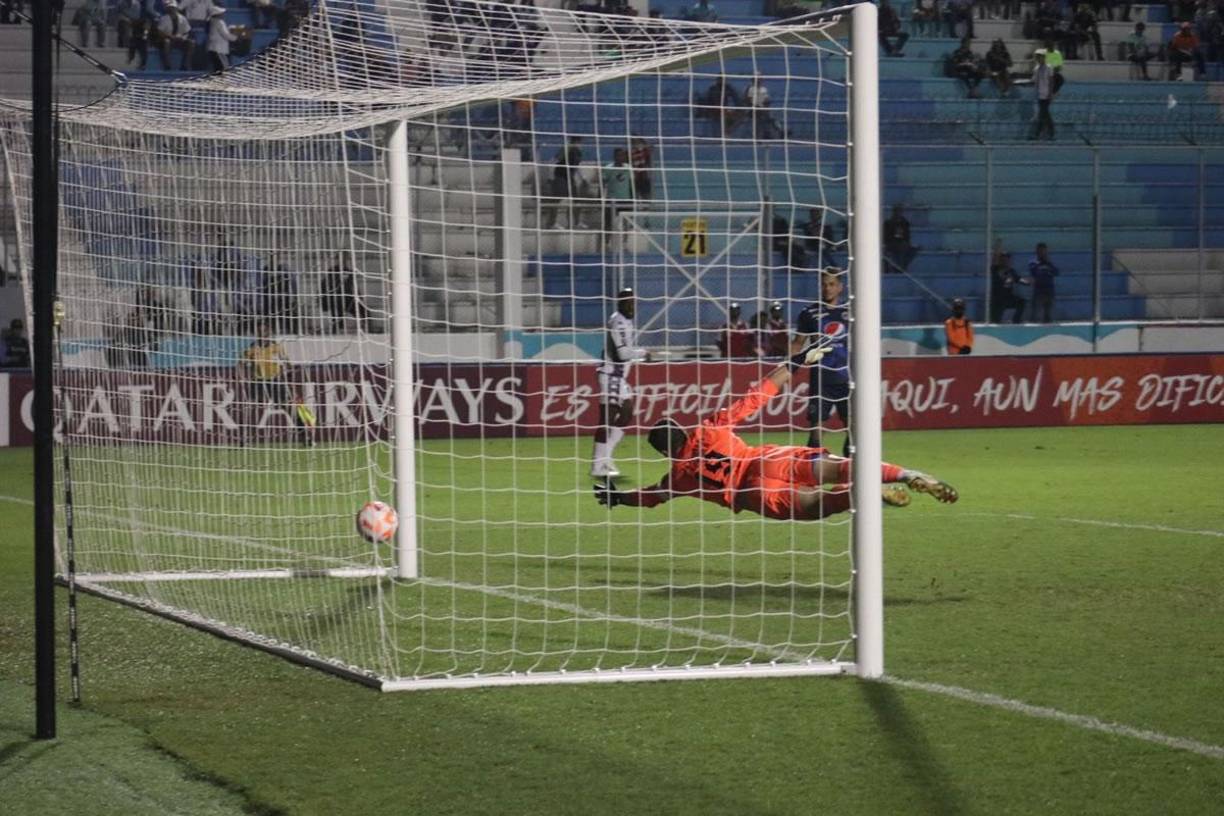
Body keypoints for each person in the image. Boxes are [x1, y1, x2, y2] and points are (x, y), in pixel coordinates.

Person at [594, 354, 958, 521]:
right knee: (840, 466)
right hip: (765, 459)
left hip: (752, 494)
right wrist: (797, 362)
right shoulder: (711, 428)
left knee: (821, 504)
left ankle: (860, 495)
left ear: (665, 453)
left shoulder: (679, 477)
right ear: (684, 430)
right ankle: (906, 475)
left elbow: (651, 498)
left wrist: (618, 497)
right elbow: (756, 396)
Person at [590, 287, 648, 478]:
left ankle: (605, 458)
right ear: (620, 303)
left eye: (633, 302)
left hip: (618, 378)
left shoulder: (626, 321)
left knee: (626, 413)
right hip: (611, 375)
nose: (632, 306)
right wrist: (643, 354)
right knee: (607, 419)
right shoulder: (619, 323)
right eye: (628, 302)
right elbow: (622, 354)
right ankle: (598, 465)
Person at [795, 267, 850, 457]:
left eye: (832, 284)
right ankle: (811, 477)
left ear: (840, 287)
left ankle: (851, 477)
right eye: (825, 284)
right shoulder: (809, 313)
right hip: (821, 378)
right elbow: (797, 344)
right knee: (816, 433)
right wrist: (789, 366)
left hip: (847, 378)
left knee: (853, 432)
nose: (828, 288)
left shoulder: (850, 312)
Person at [239, 321, 314, 446]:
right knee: (250, 409)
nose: (261, 334)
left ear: (269, 333)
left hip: (276, 380)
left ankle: (305, 437)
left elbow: (287, 363)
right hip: (258, 381)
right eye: (259, 332)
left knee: (290, 409)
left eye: (264, 331)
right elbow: (240, 363)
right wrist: (244, 375)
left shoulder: (277, 347)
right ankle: (245, 439)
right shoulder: (251, 348)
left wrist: (288, 370)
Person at [600, 147, 634, 249]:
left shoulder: (628, 168)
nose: (621, 157)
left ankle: (624, 244)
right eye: (619, 155)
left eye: (623, 155)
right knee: (608, 223)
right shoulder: (608, 168)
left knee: (626, 223)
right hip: (612, 199)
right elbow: (603, 183)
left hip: (625, 199)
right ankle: (606, 244)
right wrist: (600, 198)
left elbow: (631, 184)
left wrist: (633, 199)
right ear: (615, 156)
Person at [989, 251, 1029, 323]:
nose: (1005, 261)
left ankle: (1016, 321)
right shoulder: (995, 269)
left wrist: (1026, 282)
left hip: (1008, 297)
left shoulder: (1011, 271)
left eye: (1007, 260)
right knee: (995, 321)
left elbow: (1018, 279)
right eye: (1003, 259)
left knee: (1021, 302)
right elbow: (994, 259)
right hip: (997, 299)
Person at [157, 0, 195, 70]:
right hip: (169, 39)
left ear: (176, 8)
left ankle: (184, 65)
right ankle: (167, 66)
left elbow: (187, 31)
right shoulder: (164, 18)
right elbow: (160, 32)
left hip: (180, 40)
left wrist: (182, 37)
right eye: (170, 8)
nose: (172, 9)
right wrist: (171, 36)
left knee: (191, 43)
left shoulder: (183, 18)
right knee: (166, 42)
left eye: (173, 8)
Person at [1028, 242, 1060, 322]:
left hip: (1049, 289)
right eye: (1040, 251)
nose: (1042, 253)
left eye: (1044, 251)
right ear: (1037, 252)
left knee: (1048, 314)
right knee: (1036, 313)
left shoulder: (1049, 263)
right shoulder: (1033, 262)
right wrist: (1044, 268)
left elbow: (1056, 272)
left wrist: (1048, 263)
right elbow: (1034, 272)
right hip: (1038, 289)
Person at [882, 204, 918, 273]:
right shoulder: (888, 223)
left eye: (900, 212)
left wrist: (906, 242)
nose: (899, 213)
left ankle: (901, 266)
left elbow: (907, 236)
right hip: (891, 243)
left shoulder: (905, 223)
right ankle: (899, 268)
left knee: (912, 250)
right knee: (902, 247)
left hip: (902, 243)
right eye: (897, 211)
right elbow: (885, 237)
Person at [1031, 50, 1056, 141]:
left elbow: (1051, 81)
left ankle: (1039, 133)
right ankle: (1048, 132)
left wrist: (1050, 93)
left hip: (1046, 93)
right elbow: (1036, 82)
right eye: (1037, 57)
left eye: (1040, 57)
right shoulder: (1036, 69)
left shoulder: (1049, 68)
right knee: (1044, 114)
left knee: (1043, 113)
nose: (1039, 59)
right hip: (1040, 94)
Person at [206, 5, 239, 71]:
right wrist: (236, 38)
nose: (223, 14)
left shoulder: (211, 21)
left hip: (213, 49)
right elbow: (225, 35)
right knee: (222, 69)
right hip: (218, 50)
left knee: (217, 69)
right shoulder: (219, 22)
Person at [630, 136, 652, 201]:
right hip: (635, 177)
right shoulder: (630, 152)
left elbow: (650, 149)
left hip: (643, 176)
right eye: (633, 141)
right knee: (635, 194)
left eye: (636, 141)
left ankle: (646, 207)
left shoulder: (644, 151)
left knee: (645, 194)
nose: (635, 143)